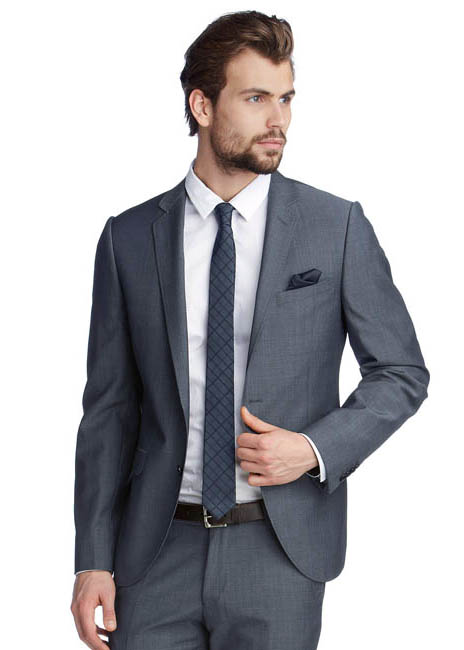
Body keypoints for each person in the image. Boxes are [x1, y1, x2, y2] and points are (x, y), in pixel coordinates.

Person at [70, 10, 430, 650]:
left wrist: (314, 449)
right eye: (257, 98)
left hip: (279, 550)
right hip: (153, 554)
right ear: (203, 106)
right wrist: (91, 558)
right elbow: (109, 410)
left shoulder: (336, 227)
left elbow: (401, 372)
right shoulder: (129, 238)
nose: (278, 120)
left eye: (286, 98)